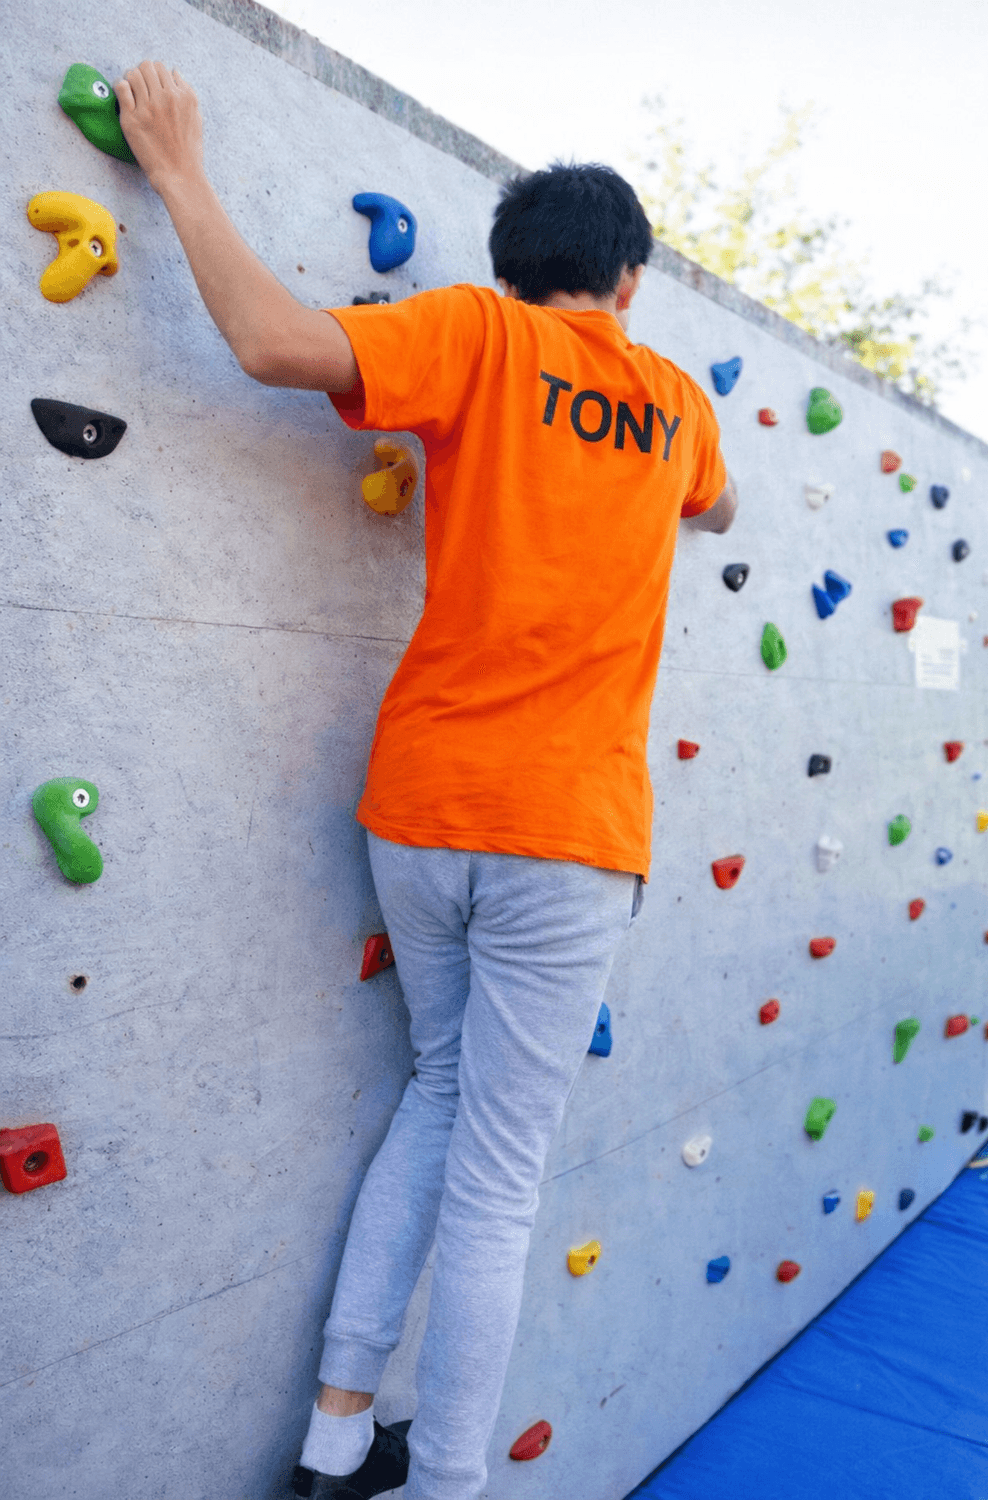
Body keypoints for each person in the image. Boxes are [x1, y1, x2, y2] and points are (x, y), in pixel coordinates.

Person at [115, 60, 737, 1500]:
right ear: (630, 282)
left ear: (514, 270)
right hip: (566, 830)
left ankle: (338, 1440)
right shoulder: (675, 405)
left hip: (421, 804)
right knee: (499, 1178)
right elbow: (718, 505)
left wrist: (179, 173)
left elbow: (273, 343)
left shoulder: (473, 333)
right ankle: (450, 1483)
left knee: (440, 1093)